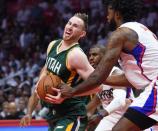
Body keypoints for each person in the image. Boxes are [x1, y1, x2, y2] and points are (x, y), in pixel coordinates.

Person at [46, 0, 158, 130]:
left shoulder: (120, 34)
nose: (106, 16)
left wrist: (72, 91)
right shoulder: (139, 29)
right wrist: (103, 80)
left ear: (117, 14)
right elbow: (132, 79)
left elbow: (98, 76)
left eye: (109, 12)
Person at [20, 13, 95, 131]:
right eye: (69, 23)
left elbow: (99, 85)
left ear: (82, 34)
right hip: (54, 114)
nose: (70, 27)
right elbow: (40, 83)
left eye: (75, 26)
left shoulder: (76, 55)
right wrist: (29, 112)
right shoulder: (53, 45)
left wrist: (71, 93)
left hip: (72, 115)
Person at [86, 44, 132, 131]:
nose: (91, 58)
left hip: (127, 116)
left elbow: (120, 101)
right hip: (110, 117)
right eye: (90, 55)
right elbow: (95, 102)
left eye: (95, 55)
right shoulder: (97, 78)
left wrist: (100, 115)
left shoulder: (115, 73)